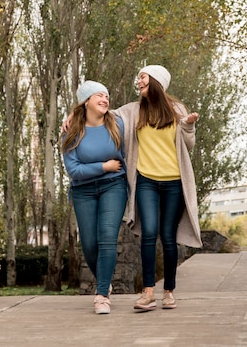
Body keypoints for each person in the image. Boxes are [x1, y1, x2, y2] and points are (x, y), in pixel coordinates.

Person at [113, 64, 202, 311]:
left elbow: (189, 146)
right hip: (146, 180)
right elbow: (103, 115)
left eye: (142, 76)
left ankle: (169, 291)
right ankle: (148, 292)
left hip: (174, 182)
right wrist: (76, 114)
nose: (138, 81)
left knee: (169, 237)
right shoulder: (132, 111)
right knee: (149, 233)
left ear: (155, 80)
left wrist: (188, 126)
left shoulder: (177, 110)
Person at [61, 80, 127, 315]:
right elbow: (74, 170)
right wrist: (105, 166)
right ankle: (104, 281)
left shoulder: (117, 124)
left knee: (107, 237)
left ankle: (101, 296)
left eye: (107, 96)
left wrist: (112, 172)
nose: (105, 99)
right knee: (89, 244)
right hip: (83, 191)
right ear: (86, 101)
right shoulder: (71, 131)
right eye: (99, 95)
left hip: (114, 187)